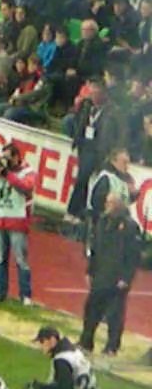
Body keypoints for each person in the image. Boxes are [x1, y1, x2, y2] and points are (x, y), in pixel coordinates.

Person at [80, 195, 142, 356]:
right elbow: (95, 249)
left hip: (117, 279)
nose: (107, 204)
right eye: (107, 201)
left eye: (110, 202)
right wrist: (90, 271)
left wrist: (126, 278)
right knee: (91, 309)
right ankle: (86, 341)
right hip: (101, 275)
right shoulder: (102, 221)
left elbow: (133, 256)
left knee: (114, 314)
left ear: (118, 206)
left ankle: (112, 347)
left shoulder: (130, 227)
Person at [0, 146, 36, 305]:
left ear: (17, 157)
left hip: (17, 219)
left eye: (8, 158)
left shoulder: (28, 171)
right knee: (0, 259)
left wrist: (8, 175)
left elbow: (25, 187)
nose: (5, 161)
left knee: (21, 259)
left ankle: (25, 295)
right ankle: (0, 292)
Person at [67, 81, 126, 219]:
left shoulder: (114, 111)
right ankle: (78, 212)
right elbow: (77, 120)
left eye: (96, 93)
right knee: (83, 180)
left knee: (86, 181)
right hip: (85, 146)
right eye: (91, 93)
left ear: (104, 94)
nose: (93, 96)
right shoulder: (86, 105)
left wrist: (115, 151)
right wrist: (77, 138)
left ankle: (74, 211)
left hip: (101, 150)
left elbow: (121, 132)